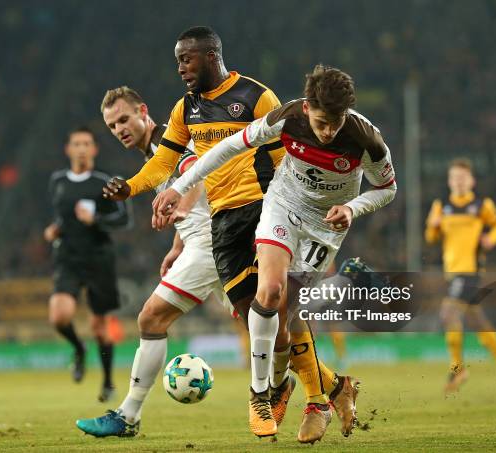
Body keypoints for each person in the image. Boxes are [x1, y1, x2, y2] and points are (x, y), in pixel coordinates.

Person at [102, 27, 346, 443]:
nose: (180, 68)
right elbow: (163, 164)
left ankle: (286, 398)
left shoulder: (256, 96)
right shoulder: (185, 110)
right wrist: (130, 187)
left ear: (212, 56)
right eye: (178, 60)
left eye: (187, 59)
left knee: (277, 306)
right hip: (225, 223)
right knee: (265, 318)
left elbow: (285, 156)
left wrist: (303, 218)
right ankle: (322, 387)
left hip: (267, 209)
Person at [153, 64, 397, 439]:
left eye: (335, 122)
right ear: (307, 109)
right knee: (268, 294)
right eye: (321, 122)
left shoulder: (367, 139)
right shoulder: (287, 117)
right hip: (283, 205)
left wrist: (352, 208)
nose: (328, 131)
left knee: (290, 315)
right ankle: (260, 395)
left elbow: (387, 188)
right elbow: (229, 147)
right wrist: (178, 186)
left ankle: (308, 392)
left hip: (324, 227)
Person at [76, 86, 230, 438]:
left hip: (211, 242)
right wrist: (177, 245)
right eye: (113, 126)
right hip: (204, 241)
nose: (120, 130)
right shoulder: (153, 155)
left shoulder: (166, 142)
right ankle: (330, 388)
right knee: (267, 324)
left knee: (151, 317)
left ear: (143, 111)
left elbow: (198, 172)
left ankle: (127, 416)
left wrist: (185, 207)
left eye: (124, 119)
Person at [44, 126, 130, 402]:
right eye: (76, 143)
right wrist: (54, 229)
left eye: (86, 144)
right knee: (59, 316)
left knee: (99, 327)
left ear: (94, 150)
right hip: (68, 258)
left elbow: (123, 219)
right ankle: (79, 349)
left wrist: (97, 221)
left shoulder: (104, 182)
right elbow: (60, 215)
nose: (81, 148)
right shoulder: (57, 181)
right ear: (68, 149)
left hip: (98, 260)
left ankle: (107, 381)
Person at [425, 158, 496, 393]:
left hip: (471, 271)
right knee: (477, 320)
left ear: (472, 181)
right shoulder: (441, 205)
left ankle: (458, 369)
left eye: (463, 178)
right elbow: (430, 238)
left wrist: (490, 239)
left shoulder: (481, 204)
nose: (458, 181)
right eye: (454, 177)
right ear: (449, 181)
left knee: (448, 313)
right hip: (452, 272)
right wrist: (433, 226)